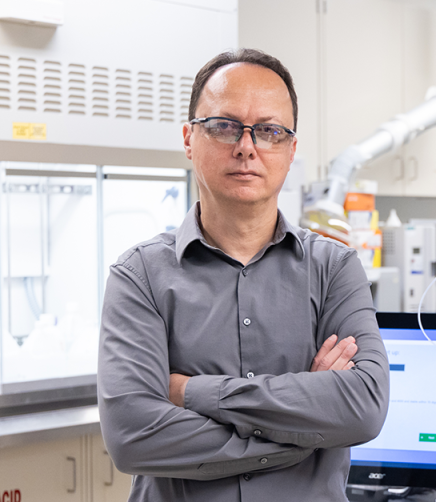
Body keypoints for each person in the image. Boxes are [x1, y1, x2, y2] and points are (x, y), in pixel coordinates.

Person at [98, 49, 390, 501]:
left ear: (291, 150)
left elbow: (363, 409)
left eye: (270, 131)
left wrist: (191, 392)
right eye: (224, 126)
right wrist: (299, 435)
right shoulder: (140, 275)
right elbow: (133, 437)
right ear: (188, 138)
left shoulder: (334, 268)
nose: (247, 147)